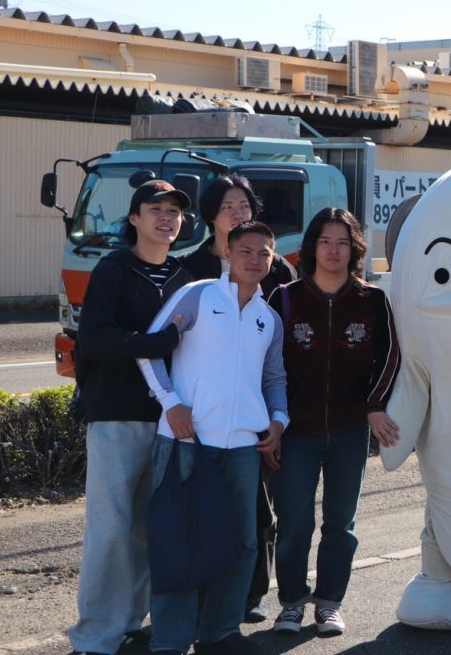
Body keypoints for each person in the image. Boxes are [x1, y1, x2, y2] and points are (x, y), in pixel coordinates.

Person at [138, 220, 289, 655]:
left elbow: (274, 377)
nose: (255, 260)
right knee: (177, 540)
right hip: (185, 440)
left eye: (264, 253)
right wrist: (170, 401)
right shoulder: (199, 295)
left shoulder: (268, 318)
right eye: (246, 251)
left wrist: (278, 420)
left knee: (242, 541)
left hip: (244, 446)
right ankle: (170, 640)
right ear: (227, 252)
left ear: (273, 258)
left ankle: (221, 632)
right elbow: (150, 346)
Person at [67, 180, 192, 655]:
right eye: (155, 209)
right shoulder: (114, 269)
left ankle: (129, 622)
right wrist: (154, 343)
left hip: (168, 420)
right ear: (134, 219)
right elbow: (94, 339)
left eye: (174, 212)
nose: (166, 218)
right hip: (116, 415)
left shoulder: (182, 277)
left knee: (146, 526)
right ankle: (94, 636)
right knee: (111, 527)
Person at [266, 209, 401, 637]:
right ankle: (291, 603)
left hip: (349, 429)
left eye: (342, 242)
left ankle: (329, 603)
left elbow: (391, 356)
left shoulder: (372, 300)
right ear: (311, 247)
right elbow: (263, 365)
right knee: (293, 523)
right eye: (325, 241)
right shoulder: (284, 298)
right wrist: (271, 422)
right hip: (294, 431)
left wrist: (375, 404)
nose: (333, 250)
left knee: (340, 523)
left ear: (355, 249)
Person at [179, 173, 295, 622]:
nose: (238, 213)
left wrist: (279, 416)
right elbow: (161, 347)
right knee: (198, 518)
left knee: (255, 516)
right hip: (198, 426)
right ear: (212, 216)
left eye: (244, 206)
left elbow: (275, 358)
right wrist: (172, 403)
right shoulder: (191, 273)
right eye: (229, 206)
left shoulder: (276, 268)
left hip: (251, 425)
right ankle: (200, 603)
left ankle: (249, 595)